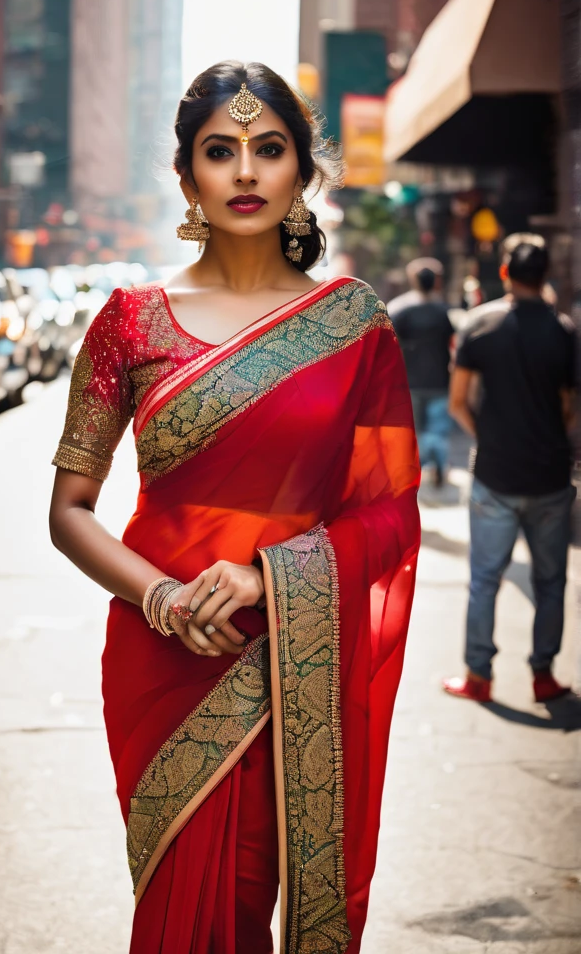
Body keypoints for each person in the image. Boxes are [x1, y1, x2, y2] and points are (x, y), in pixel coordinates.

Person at [48, 62, 420, 954]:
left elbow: (391, 514)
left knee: (250, 892)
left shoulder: (354, 325)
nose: (246, 172)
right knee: (178, 898)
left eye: (269, 150)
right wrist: (163, 599)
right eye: (221, 152)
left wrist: (265, 581)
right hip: (162, 655)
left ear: (302, 172)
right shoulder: (130, 322)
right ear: (187, 177)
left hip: (284, 657)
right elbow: (69, 510)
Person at [444, 241, 576, 704]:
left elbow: (458, 402)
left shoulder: (481, 324)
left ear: (504, 272)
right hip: (551, 476)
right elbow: (568, 408)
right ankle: (544, 675)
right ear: (546, 275)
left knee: (484, 581)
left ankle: (478, 677)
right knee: (551, 583)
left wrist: (489, 436)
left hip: (495, 475)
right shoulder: (563, 331)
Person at [390, 258, 455, 487]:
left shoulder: (399, 309)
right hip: (440, 379)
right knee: (438, 429)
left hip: (410, 381)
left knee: (413, 431)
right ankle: (437, 465)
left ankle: (415, 472)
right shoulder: (445, 311)